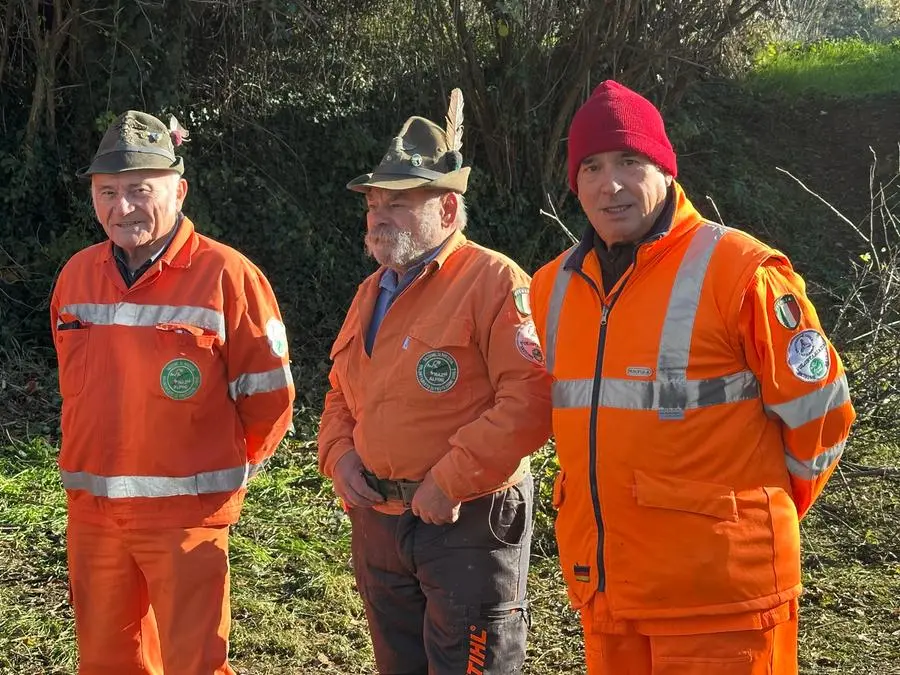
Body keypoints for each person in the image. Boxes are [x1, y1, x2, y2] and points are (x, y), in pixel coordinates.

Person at [529, 81, 856, 675]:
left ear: (665, 168)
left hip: (720, 605)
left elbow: (823, 413)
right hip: (608, 597)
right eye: (593, 167)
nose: (611, 184)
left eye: (630, 161)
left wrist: (753, 516)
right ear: (574, 181)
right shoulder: (552, 288)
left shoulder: (742, 272)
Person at [317, 90, 552, 675]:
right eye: (374, 201)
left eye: (398, 202)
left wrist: (449, 482)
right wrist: (338, 455)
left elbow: (530, 398)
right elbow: (341, 393)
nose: (378, 215)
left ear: (447, 211)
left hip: (465, 523)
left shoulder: (495, 281)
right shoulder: (371, 292)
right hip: (379, 523)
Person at [51, 110, 295, 674]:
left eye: (140, 190)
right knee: (107, 663)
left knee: (194, 664)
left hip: (186, 521)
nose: (122, 207)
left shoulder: (228, 276)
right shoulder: (75, 276)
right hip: (93, 518)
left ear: (179, 190)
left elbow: (269, 402)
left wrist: (211, 481)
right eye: (107, 192)